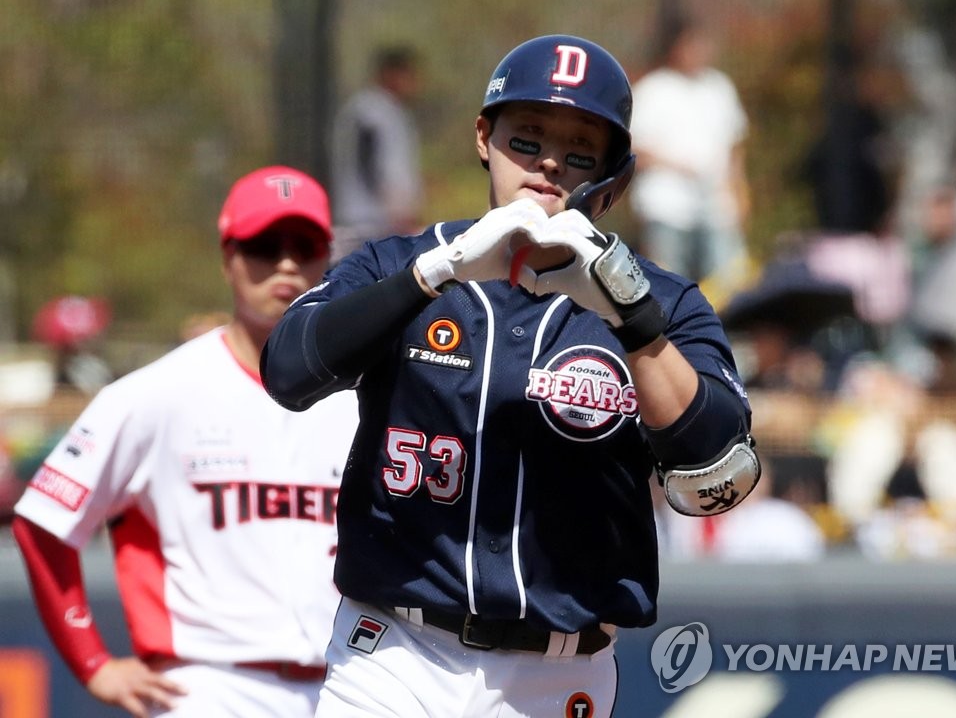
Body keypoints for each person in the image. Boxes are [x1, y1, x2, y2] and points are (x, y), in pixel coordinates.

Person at [262, 35, 759, 718]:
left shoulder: (665, 305)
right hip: (396, 652)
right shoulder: (401, 265)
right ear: (483, 138)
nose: (550, 161)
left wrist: (632, 320)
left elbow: (716, 479)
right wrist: (437, 273)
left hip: (559, 674)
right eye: (527, 138)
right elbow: (289, 370)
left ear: (617, 173)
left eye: (580, 149)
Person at [11, 166, 360, 718]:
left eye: (305, 245)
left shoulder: (363, 397)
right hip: (210, 685)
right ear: (228, 258)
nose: (287, 263)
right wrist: (93, 662)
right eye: (265, 246)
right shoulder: (160, 391)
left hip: (346, 685)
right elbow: (43, 519)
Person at [628, 15, 751, 293]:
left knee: (731, 284)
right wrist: (676, 166)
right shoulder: (654, 89)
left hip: (717, 207)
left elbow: (735, 146)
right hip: (667, 207)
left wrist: (739, 190)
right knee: (668, 286)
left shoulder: (719, 87)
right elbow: (635, 148)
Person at [329, 44, 424, 261]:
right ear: (390, 74)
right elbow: (380, 168)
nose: (413, 83)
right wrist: (399, 212)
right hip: (373, 223)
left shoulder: (361, 107)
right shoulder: (377, 111)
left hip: (355, 220)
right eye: (408, 74)